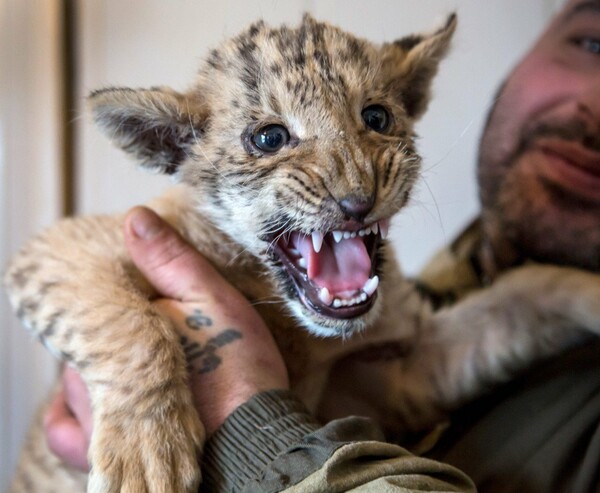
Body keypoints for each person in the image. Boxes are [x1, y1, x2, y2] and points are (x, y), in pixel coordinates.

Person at [45, 0, 600, 491]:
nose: (355, 185)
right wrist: (142, 388)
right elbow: (45, 265)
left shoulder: (359, 273)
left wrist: (249, 424)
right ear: (169, 141)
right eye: (270, 138)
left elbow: (419, 373)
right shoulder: (184, 232)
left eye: (376, 118)